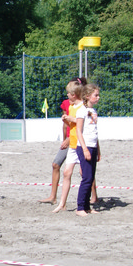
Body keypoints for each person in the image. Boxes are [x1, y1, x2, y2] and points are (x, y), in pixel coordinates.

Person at [40, 79, 82, 204]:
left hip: (77, 140)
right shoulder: (67, 104)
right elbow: (67, 125)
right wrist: (64, 139)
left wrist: (68, 139)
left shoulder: (82, 106)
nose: (67, 94)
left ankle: (93, 198)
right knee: (56, 165)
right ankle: (53, 197)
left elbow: (81, 126)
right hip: (69, 140)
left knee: (84, 171)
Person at [52, 81, 85, 214]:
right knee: (66, 173)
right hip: (72, 145)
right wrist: (66, 119)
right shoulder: (71, 107)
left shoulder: (83, 107)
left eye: (68, 93)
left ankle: (86, 203)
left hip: (81, 144)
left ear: (73, 94)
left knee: (84, 174)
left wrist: (72, 119)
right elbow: (72, 125)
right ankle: (62, 204)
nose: (67, 95)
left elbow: (83, 122)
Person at [75, 83, 101, 217]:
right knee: (87, 178)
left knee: (91, 178)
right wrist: (85, 149)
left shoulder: (93, 111)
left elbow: (95, 132)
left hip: (93, 146)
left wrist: (98, 149)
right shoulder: (81, 111)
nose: (98, 97)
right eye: (96, 95)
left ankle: (87, 207)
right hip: (84, 147)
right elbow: (78, 131)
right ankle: (80, 207)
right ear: (87, 96)